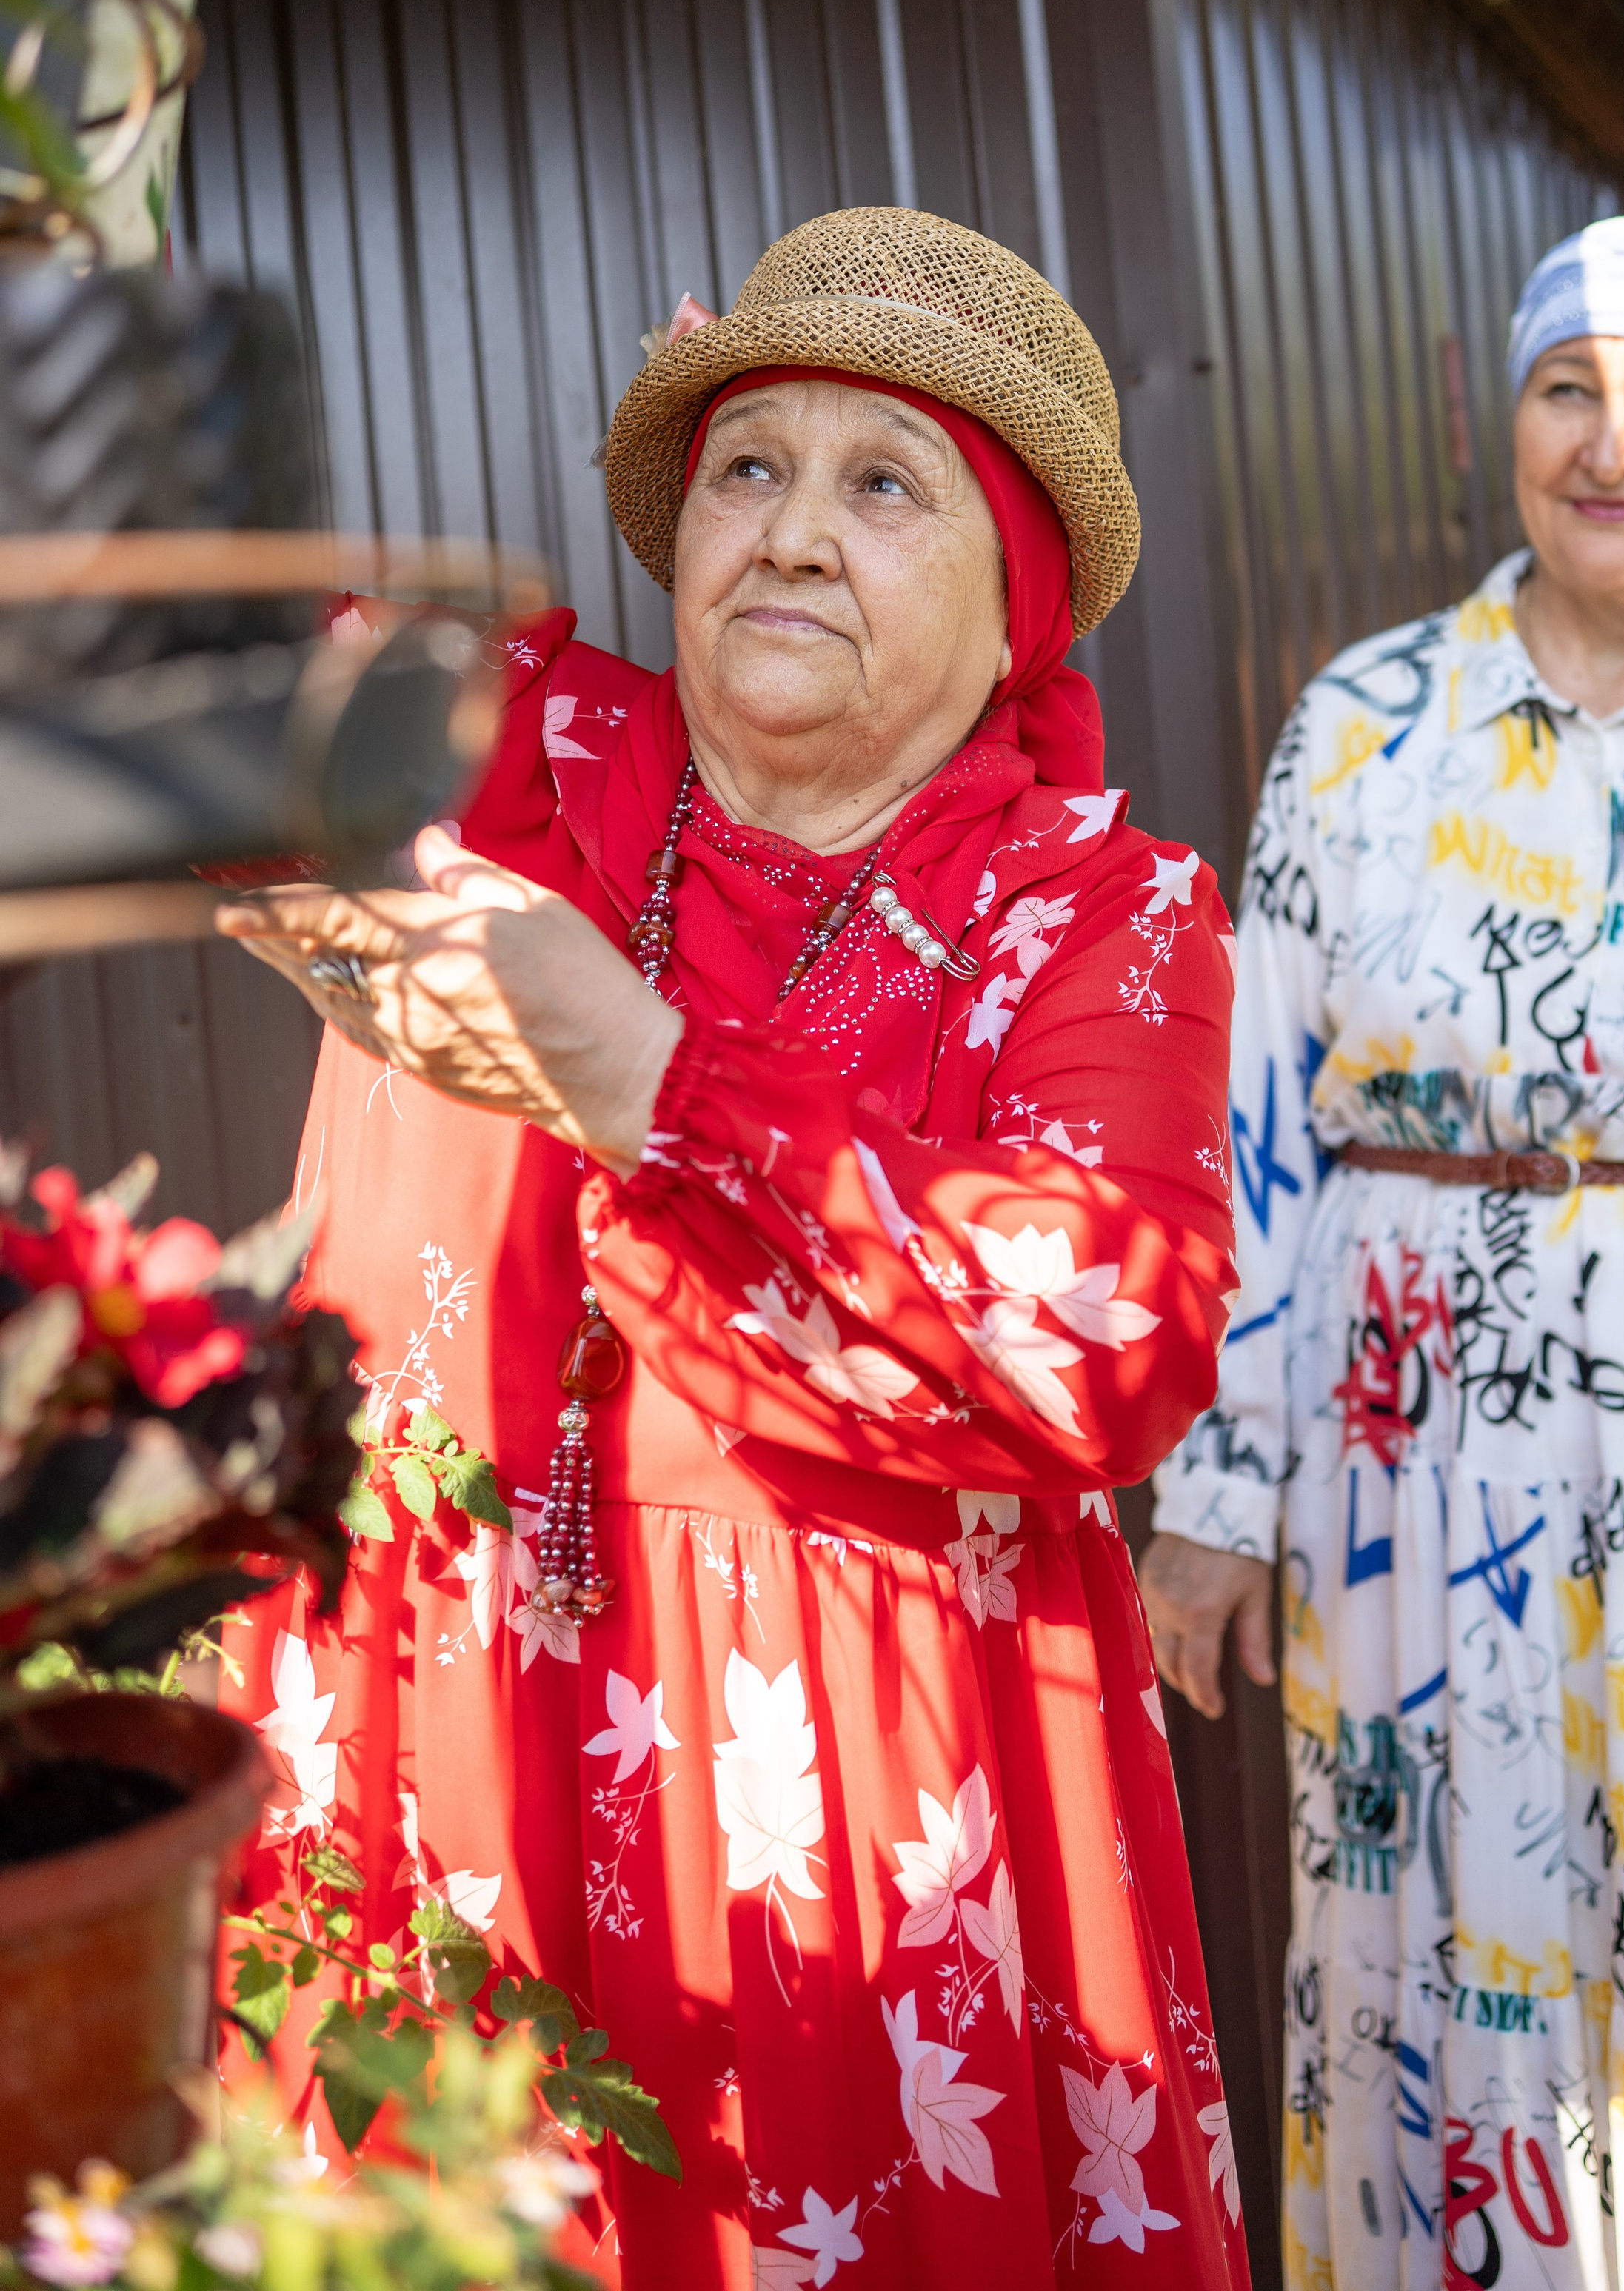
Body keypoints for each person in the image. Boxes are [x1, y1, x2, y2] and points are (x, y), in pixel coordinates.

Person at [214, 207, 1246, 2291]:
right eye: (748, 469)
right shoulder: (538, 755)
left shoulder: (1096, 917)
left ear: (1017, 591)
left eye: (885, 486)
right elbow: (173, 679)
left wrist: (644, 1078)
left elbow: (1100, 1340)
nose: (786, 531)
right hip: (433, 1716)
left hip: (850, 1800)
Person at [1139, 208, 1624, 2291]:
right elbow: (1260, 1129)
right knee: (1445, 1952)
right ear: (1511, 416)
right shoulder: (1368, 723)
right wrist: (1215, 1495)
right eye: (1572, 383)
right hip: (1415, 1468)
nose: (1612, 438)